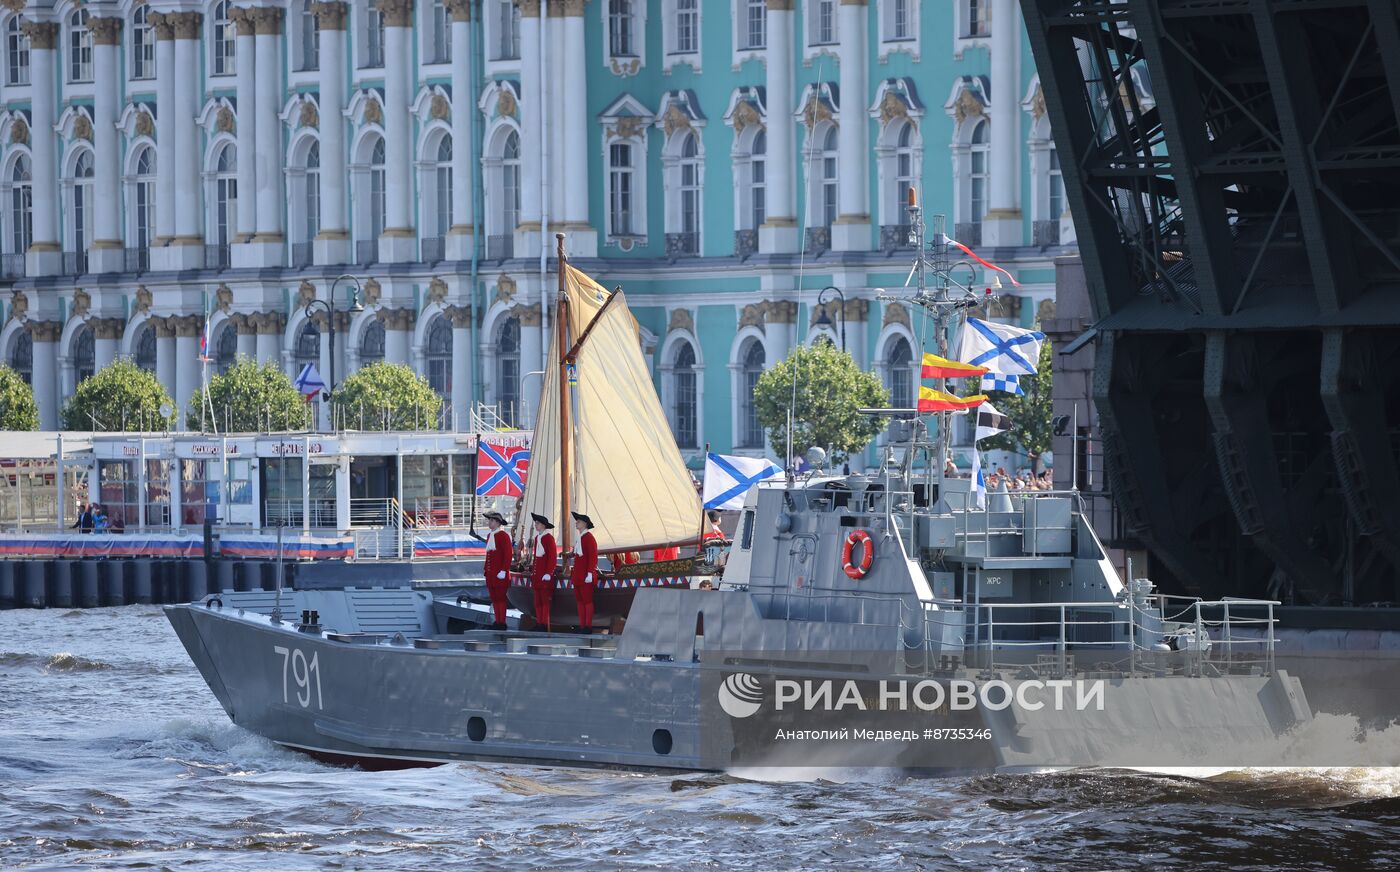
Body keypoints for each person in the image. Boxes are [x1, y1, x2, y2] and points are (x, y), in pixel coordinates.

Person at [481, 510, 512, 630]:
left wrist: (504, 570)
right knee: (494, 599)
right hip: (491, 574)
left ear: (498, 523)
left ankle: (502, 622)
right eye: (489, 520)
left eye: (492, 520)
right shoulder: (490, 535)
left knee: (500, 598)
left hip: (500, 574)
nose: (490, 522)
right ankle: (497, 621)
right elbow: (489, 555)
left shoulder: (504, 536)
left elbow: (508, 554)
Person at [570, 511, 599, 633]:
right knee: (580, 602)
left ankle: (588, 626)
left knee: (587, 602)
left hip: (585, 576)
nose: (576, 523)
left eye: (579, 521)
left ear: (585, 524)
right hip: (578, 576)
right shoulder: (580, 538)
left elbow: (593, 557)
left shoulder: (589, 538)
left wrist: (590, 573)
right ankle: (582, 625)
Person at [530, 513, 558, 632]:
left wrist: (548, 573)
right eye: (535, 523)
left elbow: (552, 557)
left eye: (537, 523)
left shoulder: (548, 538)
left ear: (543, 525)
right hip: (537, 575)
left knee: (545, 602)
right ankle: (539, 622)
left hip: (545, 576)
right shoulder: (537, 538)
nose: (535, 525)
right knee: (538, 601)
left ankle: (544, 623)